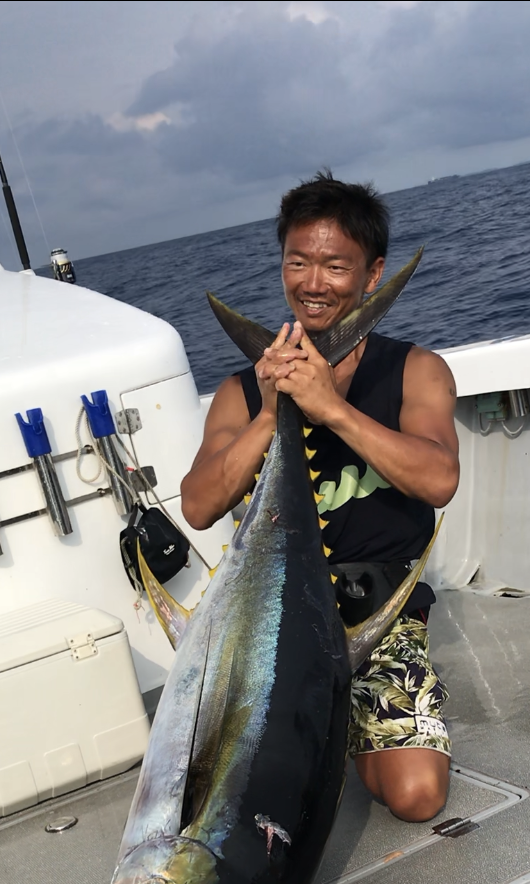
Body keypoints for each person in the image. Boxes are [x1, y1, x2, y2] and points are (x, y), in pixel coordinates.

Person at [181, 170, 460, 823]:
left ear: (373, 273)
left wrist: (330, 408)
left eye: (335, 266)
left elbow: (439, 479)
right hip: (270, 620)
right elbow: (197, 505)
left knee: (416, 797)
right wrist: (268, 413)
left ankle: (348, 722)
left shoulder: (415, 369)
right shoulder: (242, 391)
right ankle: (328, 722)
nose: (313, 282)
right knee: (245, 806)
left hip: (378, 615)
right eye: (297, 262)